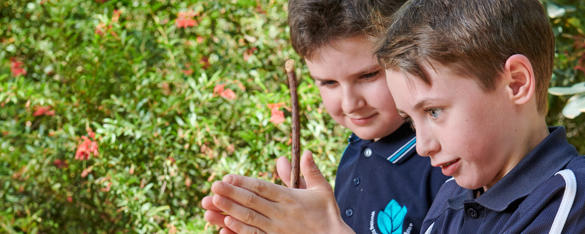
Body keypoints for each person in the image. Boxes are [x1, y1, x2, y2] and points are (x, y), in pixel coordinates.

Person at [201, 0, 448, 233]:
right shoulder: (355, 154)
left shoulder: (447, 162)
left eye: (368, 75)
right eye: (328, 82)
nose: (350, 103)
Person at [375, 0, 585, 233]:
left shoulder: (570, 198)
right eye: (410, 121)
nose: (422, 147)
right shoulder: (449, 198)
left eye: (434, 111)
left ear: (516, 84)